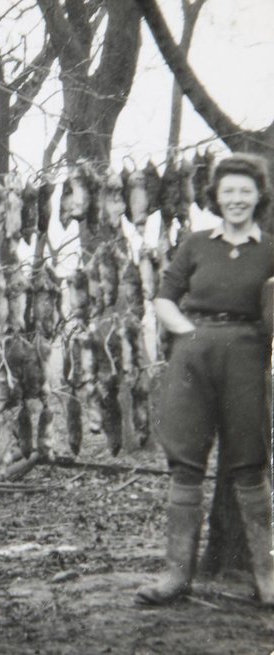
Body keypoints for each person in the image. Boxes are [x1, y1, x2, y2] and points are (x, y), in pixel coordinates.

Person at [136, 153, 274, 607]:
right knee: (186, 462)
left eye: (245, 191)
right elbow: (164, 298)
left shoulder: (271, 249)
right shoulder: (196, 243)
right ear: (216, 196)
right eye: (228, 191)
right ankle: (177, 576)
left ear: (259, 197)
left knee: (250, 463)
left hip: (248, 355)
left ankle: (267, 578)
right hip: (193, 354)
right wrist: (189, 333)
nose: (237, 199)